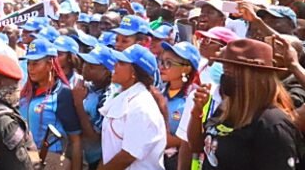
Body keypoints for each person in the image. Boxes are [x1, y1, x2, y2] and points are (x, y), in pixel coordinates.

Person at [187, 39, 300, 170]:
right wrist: (197, 113)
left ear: (251, 78)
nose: (225, 78)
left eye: (230, 73)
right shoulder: (226, 109)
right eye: (224, 71)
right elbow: (197, 146)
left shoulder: (272, 124)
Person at [20, 38, 82, 170]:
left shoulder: (62, 94)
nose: (30, 69)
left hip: (52, 162)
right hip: (26, 160)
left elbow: (75, 140)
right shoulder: (26, 93)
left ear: (50, 64)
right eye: (29, 63)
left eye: (35, 63)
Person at [101, 45, 167, 168]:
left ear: (134, 72)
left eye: (121, 63)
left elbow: (126, 157)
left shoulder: (141, 106)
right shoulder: (121, 95)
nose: (114, 65)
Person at [73, 46, 116, 170]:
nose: (85, 68)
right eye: (86, 63)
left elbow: (93, 137)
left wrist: (79, 104)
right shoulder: (87, 86)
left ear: (106, 71)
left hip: (96, 159)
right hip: (80, 153)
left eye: (92, 67)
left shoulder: (108, 96)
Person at [158, 41, 200, 170]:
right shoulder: (158, 92)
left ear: (186, 68)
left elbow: (187, 140)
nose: (162, 67)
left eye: (169, 63)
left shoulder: (195, 97)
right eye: (161, 61)